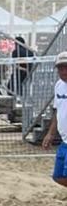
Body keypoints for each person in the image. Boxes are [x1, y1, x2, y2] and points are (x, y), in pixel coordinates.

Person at [42, 51, 67, 189]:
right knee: (58, 177)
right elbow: (57, 110)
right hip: (65, 140)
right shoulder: (59, 85)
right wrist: (50, 133)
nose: (63, 71)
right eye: (60, 68)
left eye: (66, 67)